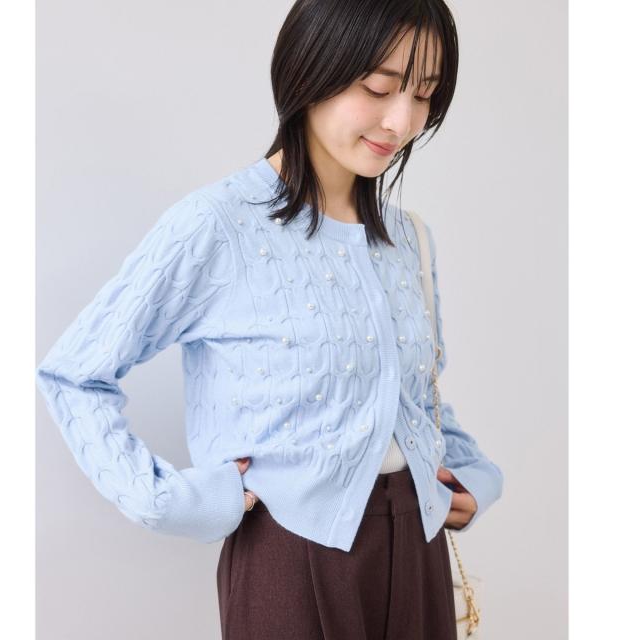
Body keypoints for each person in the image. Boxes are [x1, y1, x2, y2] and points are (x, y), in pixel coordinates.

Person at [35, 1, 504, 638]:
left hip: (417, 547)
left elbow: (412, 396)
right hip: (288, 552)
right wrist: (168, 500)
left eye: (423, 95)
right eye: (379, 87)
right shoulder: (218, 226)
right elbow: (74, 373)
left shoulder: (408, 238)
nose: (402, 121)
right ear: (311, 69)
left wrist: (473, 474)